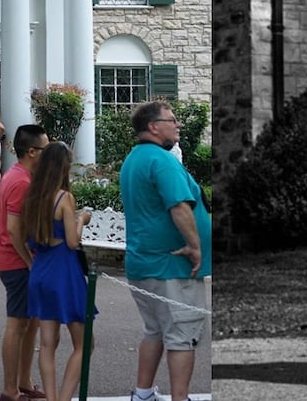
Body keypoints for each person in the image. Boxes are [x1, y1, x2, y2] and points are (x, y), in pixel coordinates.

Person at [120, 101, 211, 401]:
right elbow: (179, 206)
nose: (178, 125)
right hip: (171, 265)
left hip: (144, 263)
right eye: (172, 120)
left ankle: (143, 394)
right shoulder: (162, 160)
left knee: (155, 330)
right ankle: (179, 398)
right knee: (182, 336)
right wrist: (195, 247)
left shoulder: (134, 159)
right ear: (153, 126)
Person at [22, 142, 93, 401]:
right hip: (65, 272)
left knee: (48, 343)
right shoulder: (65, 197)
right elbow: (73, 242)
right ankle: (64, 398)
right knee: (84, 343)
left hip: (40, 269)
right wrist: (81, 220)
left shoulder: (32, 196)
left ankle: (51, 398)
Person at [0, 125, 49, 401]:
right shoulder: (21, 182)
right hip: (16, 261)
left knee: (31, 323)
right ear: (32, 151)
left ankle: (24, 381)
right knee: (18, 324)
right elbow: (14, 230)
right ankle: (10, 388)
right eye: (45, 149)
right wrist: (30, 262)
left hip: (16, 259)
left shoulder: (16, 175)